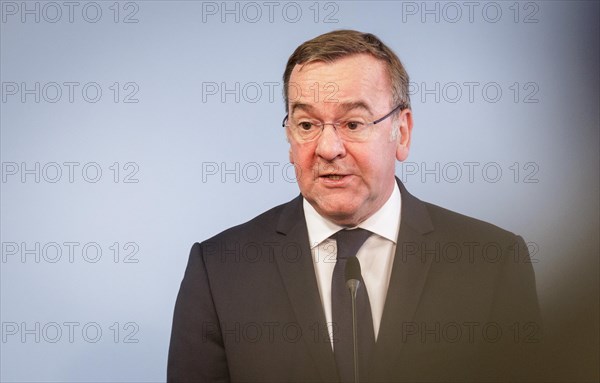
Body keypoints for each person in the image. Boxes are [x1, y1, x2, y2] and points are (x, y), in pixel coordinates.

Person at [167, 30, 542, 382]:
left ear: (402, 132)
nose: (328, 148)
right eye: (307, 124)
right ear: (289, 136)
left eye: (352, 123)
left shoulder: (493, 262)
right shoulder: (219, 271)